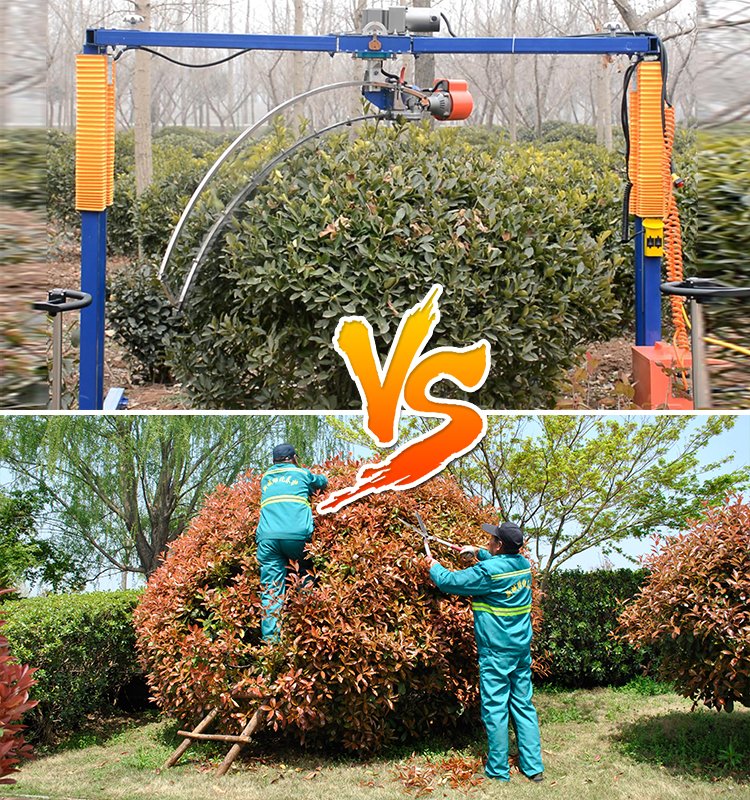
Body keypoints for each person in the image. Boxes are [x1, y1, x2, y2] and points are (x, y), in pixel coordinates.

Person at [427, 520, 544, 783]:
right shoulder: (523, 566)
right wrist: (478, 551)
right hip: (521, 648)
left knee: (495, 707)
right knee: (523, 705)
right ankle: (534, 768)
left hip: (495, 651)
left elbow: (449, 581)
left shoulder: (488, 573)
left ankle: (498, 771)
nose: (489, 541)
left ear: (500, 545)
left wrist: (432, 566)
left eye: (492, 540)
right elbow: (497, 562)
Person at [256, 443, 328, 641]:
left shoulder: (265, 478)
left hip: (268, 539)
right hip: (297, 536)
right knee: (305, 573)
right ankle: (305, 631)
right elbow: (321, 482)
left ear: (274, 461)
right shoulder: (302, 474)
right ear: (294, 458)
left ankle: (271, 642)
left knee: (271, 589)